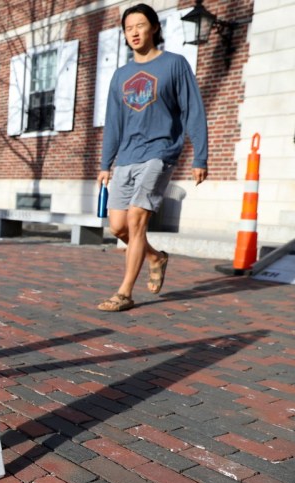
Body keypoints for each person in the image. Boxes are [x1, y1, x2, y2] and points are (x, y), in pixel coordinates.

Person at [96, 3, 208, 312]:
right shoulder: (120, 76)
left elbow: (193, 110)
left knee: (136, 219)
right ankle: (156, 256)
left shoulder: (174, 65)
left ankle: (125, 293)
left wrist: (201, 156)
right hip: (127, 157)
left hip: (160, 153)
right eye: (128, 27)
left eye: (140, 25)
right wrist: (106, 164)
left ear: (154, 28)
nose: (133, 31)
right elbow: (114, 122)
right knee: (118, 227)